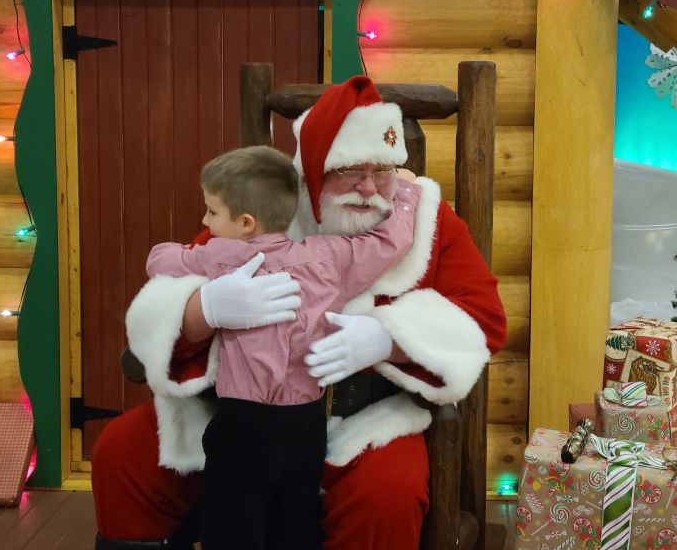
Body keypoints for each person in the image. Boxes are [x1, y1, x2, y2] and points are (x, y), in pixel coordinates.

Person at [92, 75, 507, 550]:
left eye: (384, 171)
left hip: (365, 416)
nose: (369, 188)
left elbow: (485, 319)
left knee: (386, 495)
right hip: (240, 410)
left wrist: (389, 338)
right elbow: (178, 272)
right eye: (351, 170)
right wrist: (202, 309)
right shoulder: (266, 209)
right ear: (314, 168)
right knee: (123, 452)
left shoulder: (430, 220)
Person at [144, 145, 420, 549]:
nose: (205, 220)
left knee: (232, 524)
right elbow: (391, 241)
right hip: (306, 425)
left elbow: (160, 261)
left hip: (243, 423)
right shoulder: (329, 258)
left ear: (245, 222)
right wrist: (409, 193)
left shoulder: (222, 257)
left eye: (212, 212)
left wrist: (183, 263)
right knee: (296, 521)